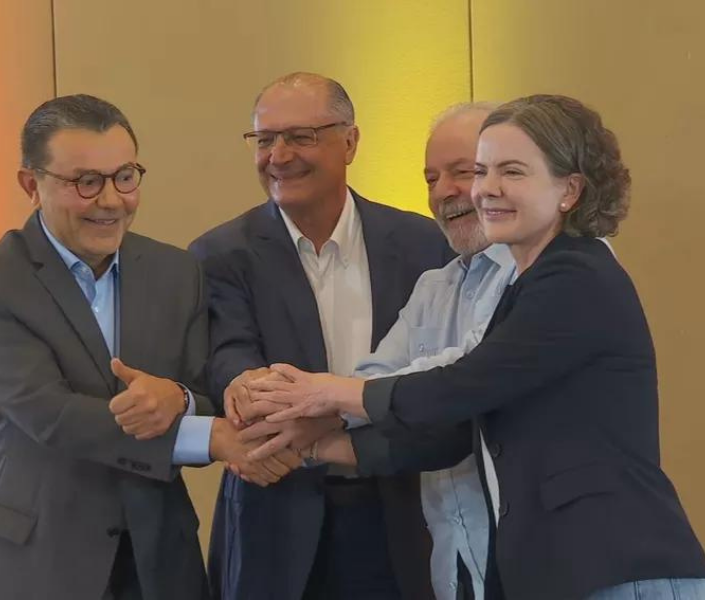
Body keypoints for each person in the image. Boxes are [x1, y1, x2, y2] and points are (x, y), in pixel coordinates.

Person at [248, 94, 705, 600]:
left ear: (570, 190)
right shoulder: (525, 282)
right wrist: (309, 437)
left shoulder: (577, 273)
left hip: (617, 564)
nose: (485, 189)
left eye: (511, 172)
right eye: (483, 171)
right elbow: (454, 422)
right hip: (551, 569)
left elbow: (462, 384)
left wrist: (326, 393)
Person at [0, 94, 299, 600]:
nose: (110, 200)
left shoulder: (177, 272)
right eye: (86, 182)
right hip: (33, 562)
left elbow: (203, 391)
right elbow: (52, 416)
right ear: (31, 184)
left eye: (125, 177)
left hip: (158, 564)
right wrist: (212, 437)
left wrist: (179, 398)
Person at [189, 72, 454, 600]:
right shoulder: (220, 254)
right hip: (275, 513)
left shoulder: (423, 244)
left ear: (350, 142)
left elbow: (440, 371)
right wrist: (248, 385)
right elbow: (227, 351)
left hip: (401, 507)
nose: (279, 156)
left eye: (300, 137)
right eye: (265, 139)